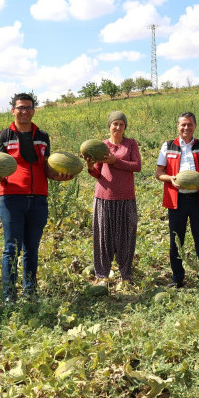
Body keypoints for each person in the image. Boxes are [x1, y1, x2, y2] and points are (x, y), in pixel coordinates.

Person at [0, 92, 73, 303]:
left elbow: (47, 168)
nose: (24, 111)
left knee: (31, 249)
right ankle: (9, 295)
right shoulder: (4, 136)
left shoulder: (42, 136)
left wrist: (59, 177)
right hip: (11, 198)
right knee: (11, 249)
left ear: (33, 110)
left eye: (28, 107)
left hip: (38, 199)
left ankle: (30, 292)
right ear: (13, 110)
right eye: (20, 107)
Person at [155, 111, 199, 288]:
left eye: (189, 124)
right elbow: (159, 173)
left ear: (195, 126)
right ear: (178, 126)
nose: (186, 127)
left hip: (197, 200)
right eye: (183, 124)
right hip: (176, 201)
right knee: (176, 240)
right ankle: (177, 277)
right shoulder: (167, 146)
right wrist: (171, 179)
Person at [85, 111, 142, 285]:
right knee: (103, 238)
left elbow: (137, 166)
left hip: (126, 198)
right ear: (109, 126)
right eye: (115, 124)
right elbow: (96, 173)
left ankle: (125, 275)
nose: (118, 127)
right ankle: (102, 274)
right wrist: (89, 165)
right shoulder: (101, 145)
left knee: (126, 237)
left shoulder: (131, 144)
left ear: (125, 127)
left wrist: (114, 161)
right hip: (104, 198)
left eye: (121, 124)